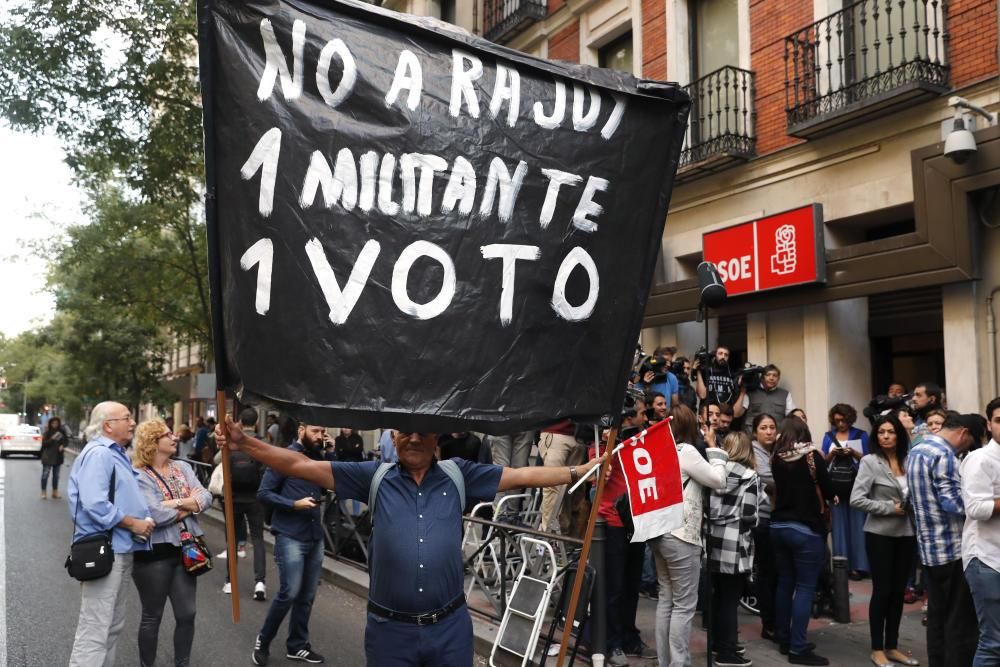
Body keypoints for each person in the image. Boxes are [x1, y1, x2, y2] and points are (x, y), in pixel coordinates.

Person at [216, 417, 605, 666]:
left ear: (437, 437)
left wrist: (578, 471)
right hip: (390, 634)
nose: (414, 438)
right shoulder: (374, 475)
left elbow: (520, 475)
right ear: (392, 436)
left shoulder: (459, 474)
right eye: (406, 431)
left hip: (450, 631)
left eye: (423, 430)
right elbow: (300, 465)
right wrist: (244, 443)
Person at [67, 402, 154, 666]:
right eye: (127, 418)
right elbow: (95, 503)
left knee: (112, 626)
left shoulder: (115, 453)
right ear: (108, 425)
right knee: (95, 628)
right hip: (106, 550)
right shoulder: (100, 454)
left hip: (119, 548)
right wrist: (132, 523)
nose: (132, 423)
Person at [131, 419, 213, 667]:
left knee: (187, 613)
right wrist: (187, 503)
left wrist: (173, 504)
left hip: (186, 549)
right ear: (153, 443)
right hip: (153, 553)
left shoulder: (183, 467)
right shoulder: (138, 475)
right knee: (152, 616)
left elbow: (205, 497)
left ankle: (182, 664)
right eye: (168, 435)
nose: (175, 437)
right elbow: (155, 515)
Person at [651, 405, 728, 667]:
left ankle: (665, 661)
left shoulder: (658, 451)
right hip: (682, 534)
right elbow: (718, 481)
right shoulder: (686, 451)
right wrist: (714, 448)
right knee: (684, 606)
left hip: (659, 532)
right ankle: (679, 663)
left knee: (666, 600)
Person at [907, 412, 984, 667]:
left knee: (938, 617)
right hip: (951, 548)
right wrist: (980, 503)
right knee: (958, 620)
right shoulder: (945, 454)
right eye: (969, 443)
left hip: (929, 549)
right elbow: (951, 502)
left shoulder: (918, 448)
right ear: (963, 433)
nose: (967, 449)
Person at [253, 423, 330, 665]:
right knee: (289, 593)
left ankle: (297, 645)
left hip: (314, 534)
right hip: (290, 534)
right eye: (316, 431)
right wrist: (293, 504)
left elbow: (333, 483)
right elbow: (263, 493)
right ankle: (263, 641)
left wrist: (332, 454)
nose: (320, 436)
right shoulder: (283, 457)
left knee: (307, 595)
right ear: (301, 429)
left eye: (323, 432)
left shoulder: (319, 458)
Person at [850, 416, 918, 667]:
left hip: (907, 533)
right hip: (879, 534)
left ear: (899, 435)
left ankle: (893, 646)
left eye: (891, 432)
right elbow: (856, 500)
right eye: (881, 432)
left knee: (899, 592)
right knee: (882, 590)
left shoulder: (909, 460)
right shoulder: (870, 462)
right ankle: (877, 648)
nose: (886, 436)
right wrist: (890, 508)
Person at [770, 416, 835, 665]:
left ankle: (784, 639)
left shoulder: (776, 458)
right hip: (805, 529)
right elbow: (828, 489)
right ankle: (798, 648)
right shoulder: (811, 456)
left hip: (778, 526)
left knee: (785, 583)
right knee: (805, 587)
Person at [601, 394, 656, 666]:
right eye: (641, 414)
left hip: (638, 521)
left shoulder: (642, 441)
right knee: (614, 588)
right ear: (626, 417)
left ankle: (629, 636)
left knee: (632, 585)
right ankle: (611, 643)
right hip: (612, 522)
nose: (645, 418)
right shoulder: (604, 443)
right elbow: (599, 475)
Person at [707, 431, 759, 667]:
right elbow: (749, 515)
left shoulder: (714, 472)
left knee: (718, 596)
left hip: (713, 540)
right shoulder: (750, 476)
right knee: (730, 599)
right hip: (735, 544)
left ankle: (718, 643)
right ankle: (727, 653)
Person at [961, 397, 1000, 667]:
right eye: (999, 420)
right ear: (989, 424)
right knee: (993, 643)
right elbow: (975, 507)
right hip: (986, 558)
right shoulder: (980, 459)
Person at [218, 407, 268, 599]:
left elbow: (217, 460)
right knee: (257, 538)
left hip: (233, 496)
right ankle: (260, 583)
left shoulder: (233, 442)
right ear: (256, 422)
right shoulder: (262, 442)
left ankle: (230, 581)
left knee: (232, 538)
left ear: (240, 422)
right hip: (255, 497)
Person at [821, 403, 869, 579]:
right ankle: (842, 567)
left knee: (858, 525)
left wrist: (854, 453)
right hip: (836, 486)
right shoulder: (828, 437)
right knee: (838, 527)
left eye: (843, 421)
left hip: (856, 485)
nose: (840, 424)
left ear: (850, 419)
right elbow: (824, 462)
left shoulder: (861, 435)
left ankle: (860, 566)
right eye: (837, 421)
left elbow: (868, 460)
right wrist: (834, 454)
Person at [751, 413, 779, 643]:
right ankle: (768, 623)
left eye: (772, 427)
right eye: (763, 427)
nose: (769, 431)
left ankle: (776, 619)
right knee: (767, 573)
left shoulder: (776, 450)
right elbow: (766, 478)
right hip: (762, 519)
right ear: (755, 432)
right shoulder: (753, 452)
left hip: (778, 517)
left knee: (778, 572)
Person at [538, 419, 586, 535]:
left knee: (572, 490)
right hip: (556, 433)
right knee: (553, 486)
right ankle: (550, 536)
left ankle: (563, 537)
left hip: (579, 436)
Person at [736, 364, 796, 433]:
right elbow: (737, 414)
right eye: (768, 375)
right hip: (752, 439)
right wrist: (742, 392)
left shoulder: (785, 395)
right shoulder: (750, 393)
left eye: (775, 375)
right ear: (762, 378)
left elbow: (793, 418)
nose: (771, 378)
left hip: (777, 439)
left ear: (778, 379)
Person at [41, 416, 69, 499]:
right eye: (53, 423)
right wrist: (52, 439)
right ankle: (43, 492)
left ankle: (55, 492)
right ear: (50, 424)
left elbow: (66, 441)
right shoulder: (47, 432)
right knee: (45, 475)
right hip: (48, 457)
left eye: (56, 423)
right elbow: (45, 444)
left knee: (56, 476)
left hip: (58, 457)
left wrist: (62, 446)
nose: (55, 425)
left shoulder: (62, 432)